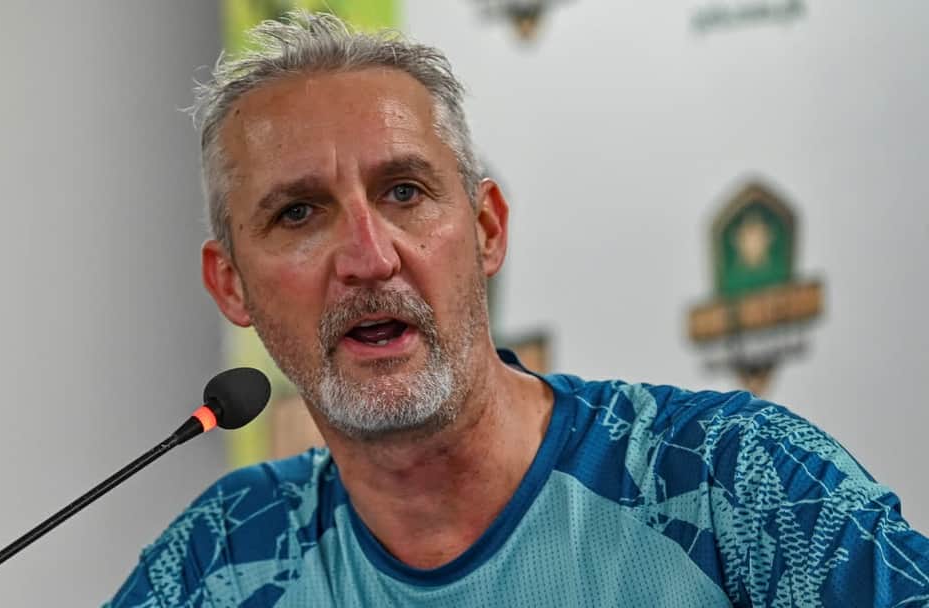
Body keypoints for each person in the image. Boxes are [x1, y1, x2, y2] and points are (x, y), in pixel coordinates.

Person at [107, 11, 929, 607]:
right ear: (232, 286)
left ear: (487, 229)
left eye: (404, 192)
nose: (369, 257)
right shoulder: (216, 565)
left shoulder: (735, 480)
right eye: (298, 213)